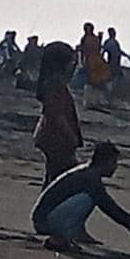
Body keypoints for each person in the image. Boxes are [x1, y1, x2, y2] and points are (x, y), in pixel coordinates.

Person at [29, 142, 130, 251]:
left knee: (91, 196)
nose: (115, 167)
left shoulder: (87, 172)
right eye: (113, 162)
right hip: (44, 222)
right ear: (104, 162)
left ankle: (73, 232)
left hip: (42, 217)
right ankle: (61, 236)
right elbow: (110, 208)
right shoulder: (90, 178)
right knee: (88, 198)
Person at [33, 41, 84, 184]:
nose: (73, 67)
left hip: (54, 139)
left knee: (53, 180)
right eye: (71, 63)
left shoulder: (56, 84)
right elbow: (56, 115)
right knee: (62, 180)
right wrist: (71, 136)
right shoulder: (54, 85)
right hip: (57, 139)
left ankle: (44, 205)